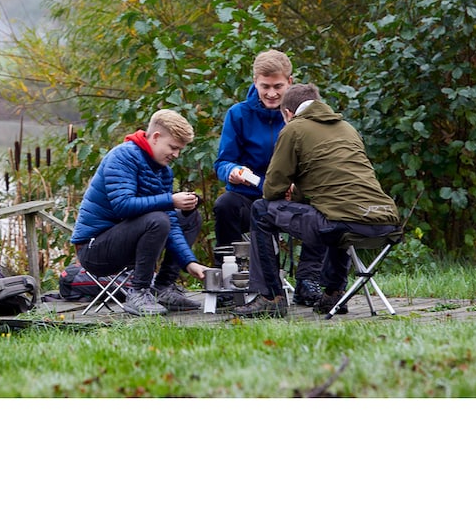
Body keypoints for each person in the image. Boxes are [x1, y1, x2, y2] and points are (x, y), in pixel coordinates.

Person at [231, 83, 401, 318]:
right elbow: (333, 181)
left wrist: (286, 191)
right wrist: (298, 193)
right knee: (335, 211)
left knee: (261, 210)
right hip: (386, 222)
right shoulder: (348, 128)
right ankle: (334, 294)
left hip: (344, 221)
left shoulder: (294, 129)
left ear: (288, 113)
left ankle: (270, 297)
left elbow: (271, 190)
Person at [212, 49, 327, 306]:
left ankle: (308, 281)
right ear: (255, 82)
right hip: (250, 197)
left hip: (291, 198)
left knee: (324, 207)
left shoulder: (305, 115)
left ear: (290, 81)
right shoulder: (238, 114)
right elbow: (222, 162)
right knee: (224, 205)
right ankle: (227, 282)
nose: (272, 94)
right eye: (265, 86)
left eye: (278, 86)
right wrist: (231, 170)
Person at [70, 109, 208, 315]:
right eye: (173, 147)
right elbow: (123, 205)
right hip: (94, 249)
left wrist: (189, 262)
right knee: (158, 219)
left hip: (126, 241)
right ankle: (139, 292)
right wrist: (170, 200)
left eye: (180, 149)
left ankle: (163, 288)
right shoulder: (123, 156)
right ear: (156, 137)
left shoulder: (163, 170)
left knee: (190, 217)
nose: (176, 155)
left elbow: (170, 218)